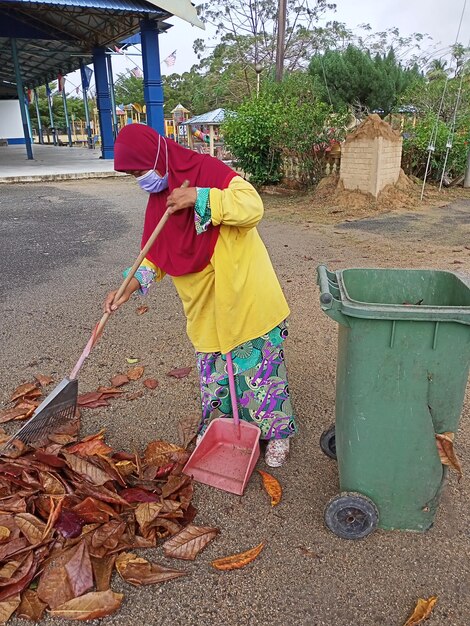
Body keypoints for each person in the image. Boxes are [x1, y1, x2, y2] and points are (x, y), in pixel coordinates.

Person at [106, 124, 297, 467]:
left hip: (243, 292)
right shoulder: (159, 199)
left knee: (262, 371)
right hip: (204, 306)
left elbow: (252, 207)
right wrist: (128, 286)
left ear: (157, 155)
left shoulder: (207, 170)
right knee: (217, 377)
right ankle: (222, 430)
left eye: (140, 170)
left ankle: (276, 433)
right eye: (133, 175)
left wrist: (199, 196)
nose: (141, 179)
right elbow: (158, 252)